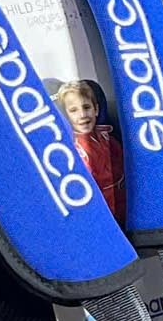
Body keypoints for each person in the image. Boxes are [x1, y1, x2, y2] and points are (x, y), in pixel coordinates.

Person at [53, 78, 125, 218]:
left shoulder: (108, 138)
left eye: (86, 107)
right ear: (66, 116)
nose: (82, 115)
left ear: (96, 109)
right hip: (101, 214)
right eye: (73, 110)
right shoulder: (73, 149)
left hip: (124, 209)